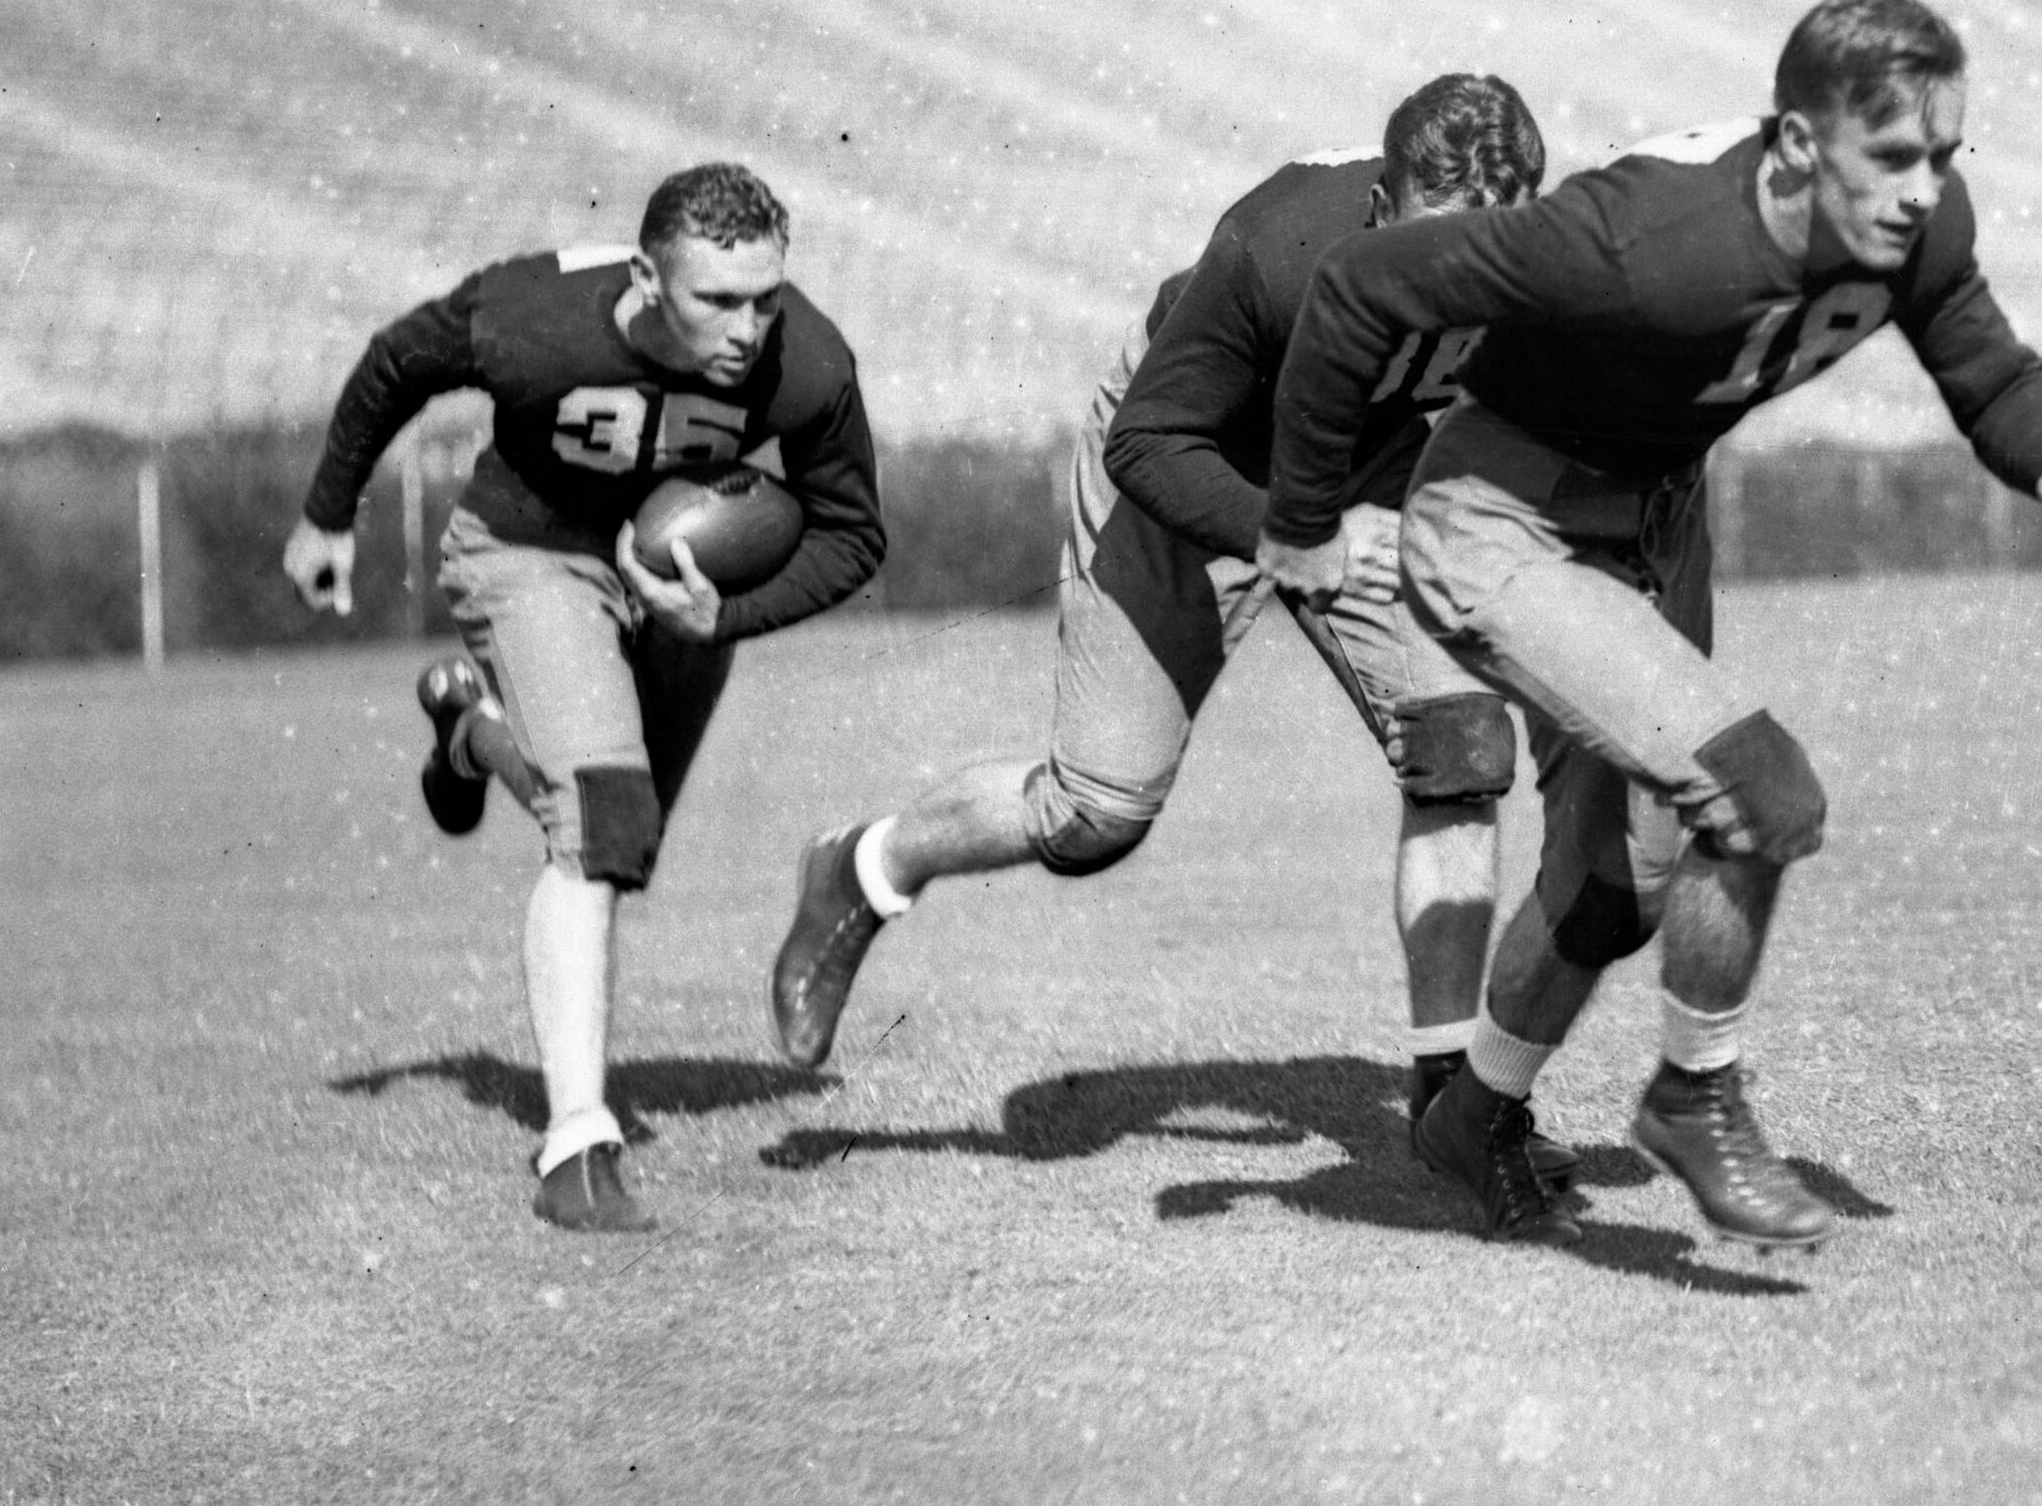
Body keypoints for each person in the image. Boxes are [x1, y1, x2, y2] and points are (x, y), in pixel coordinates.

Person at [1259, 0, 2042, 1249]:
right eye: (1890, 155)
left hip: (1647, 511)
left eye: (1942, 155)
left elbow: (1979, 353)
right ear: (1794, 145)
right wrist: (1297, 520)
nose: (1919, 187)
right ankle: (1695, 1094)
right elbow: (1353, 288)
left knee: (1623, 880)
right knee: (1764, 791)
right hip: (1498, 515)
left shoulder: (1920, 225)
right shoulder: (1640, 239)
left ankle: (1475, 1111)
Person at [765, 76, 1579, 1171]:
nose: (1454, 283)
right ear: (1383, 207)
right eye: (1436, 252)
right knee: (1095, 812)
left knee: (1460, 748)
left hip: (1362, 455)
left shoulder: (1546, 266)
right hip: (1194, 458)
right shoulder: (1276, 243)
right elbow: (1146, 444)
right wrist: (1309, 536)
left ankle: (1449, 1107)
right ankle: (865, 864)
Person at [286, 164, 885, 1233]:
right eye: (717, 300)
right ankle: (576, 1141)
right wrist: (330, 511)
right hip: (528, 554)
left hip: (677, 596)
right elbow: (398, 361)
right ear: (648, 276)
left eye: (766, 297)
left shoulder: (810, 360)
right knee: (601, 820)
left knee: (624, 837)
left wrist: (724, 618)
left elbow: (854, 533)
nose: (750, 328)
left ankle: (472, 734)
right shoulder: (533, 313)